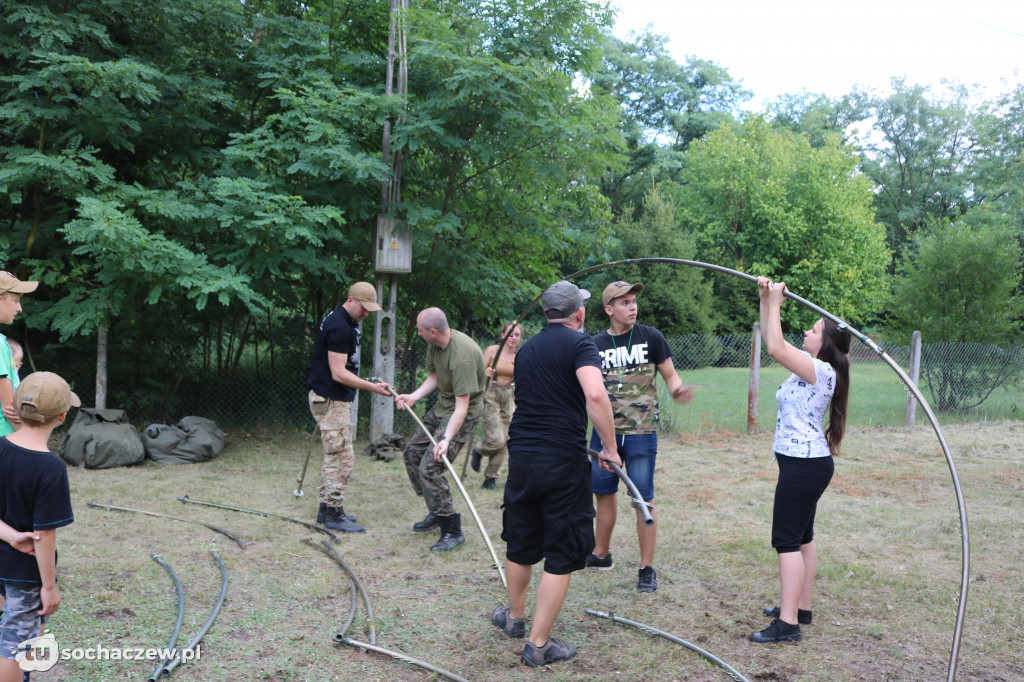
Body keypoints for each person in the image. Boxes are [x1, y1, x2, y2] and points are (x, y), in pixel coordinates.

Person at [489, 281, 620, 667]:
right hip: (561, 460)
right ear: (579, 313)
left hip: (523, 457)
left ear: (547, 313)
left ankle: (514, 619)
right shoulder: (582, 345)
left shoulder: (526, 350)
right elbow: (595, 395)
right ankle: (539, 644)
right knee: (562, 551)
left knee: (521, 539)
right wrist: (610, 449)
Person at [749, 277, 850, 644]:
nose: (807, 331)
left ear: (825, 344)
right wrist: (765, 299)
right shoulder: (810, 365)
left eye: (814, 328)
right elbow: (772, 341)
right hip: (806, 464)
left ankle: (788, 625)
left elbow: (775, 348)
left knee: (786, 540)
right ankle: (800, 607)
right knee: (803, 537)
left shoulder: (819, 371)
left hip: (804, 465)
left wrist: (777, 301)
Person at [585, 280, 695, 593]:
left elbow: (670, 375)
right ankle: (601, 553)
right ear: (609, 309)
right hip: (604, 434)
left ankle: (647, 568)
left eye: (633, 301)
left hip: (641, 433)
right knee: (603, 494)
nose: (632, 306)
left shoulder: (651, 337)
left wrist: (677, 391)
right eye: (624, 302)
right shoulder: (594, 345)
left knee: (642, 499)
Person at [0, 372, 78, 682]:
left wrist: (8, 535)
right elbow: (44, 536)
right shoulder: (51, 468)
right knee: (16, 643)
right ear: (61, 416)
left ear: (16, 409)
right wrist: (49, 586)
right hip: (25, 576)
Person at [395, 308, 486, 552]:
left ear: (432, 331)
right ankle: (436, 511)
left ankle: (452, 530)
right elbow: (435, 376)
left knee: (431, 466)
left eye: (420, 330)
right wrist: (413, 396)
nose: (418, 333)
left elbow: (462, 407)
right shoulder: (434, 344)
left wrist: (446, 439)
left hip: (462, 413)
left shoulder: (463, 356)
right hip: (443, 405)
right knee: (411, 455)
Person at [305, 282, 392, 534]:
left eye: (369, 310)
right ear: (350, 300)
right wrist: (370, 387)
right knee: (342, 457)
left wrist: (368, 382)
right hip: (331, 399)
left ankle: (327, 510)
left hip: (334, 397)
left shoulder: (344, 321)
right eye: (364, 308)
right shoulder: (339, 326)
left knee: (335, 454)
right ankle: (333, 513)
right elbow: (338, 372)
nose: (366, 314)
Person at [470, 321, 522, 490]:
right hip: (491, 394)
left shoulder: (519, 356)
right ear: (502, 335)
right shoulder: (493, 351)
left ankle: (490, 478)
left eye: (517, 335)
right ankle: (479, 450)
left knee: (507, 440)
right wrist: (485, 372)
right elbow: (478, 371)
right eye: (510, 334)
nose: (513, 338)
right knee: (496, 439)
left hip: (509, 397)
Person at [0, 272, 38, 437]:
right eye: (15, 300)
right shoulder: (0, 344)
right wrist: (29, 443)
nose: (19, 308)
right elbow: (10, 408)